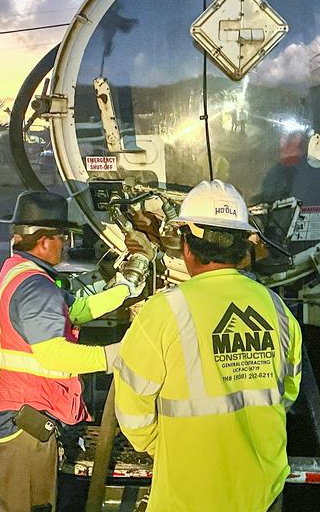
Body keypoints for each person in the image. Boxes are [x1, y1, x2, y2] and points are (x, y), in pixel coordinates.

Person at [113, 180, 302, 512]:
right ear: (243, 249)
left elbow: (131, 409)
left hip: (190, 494)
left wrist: (161, 447)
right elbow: (287, 392)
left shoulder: (164, 312)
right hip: (263, 492)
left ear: (187, 247)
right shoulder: (276, 309)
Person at [0, 190, 144, 512]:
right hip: (21, 420)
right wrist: (116, 356)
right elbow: (54, 355)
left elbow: (76, 310)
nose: (66, 245)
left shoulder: (21, 272)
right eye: (62, 238)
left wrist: (124, 289)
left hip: (14, 408)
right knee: (32, 504)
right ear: (44, 241)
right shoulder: (36, 288)